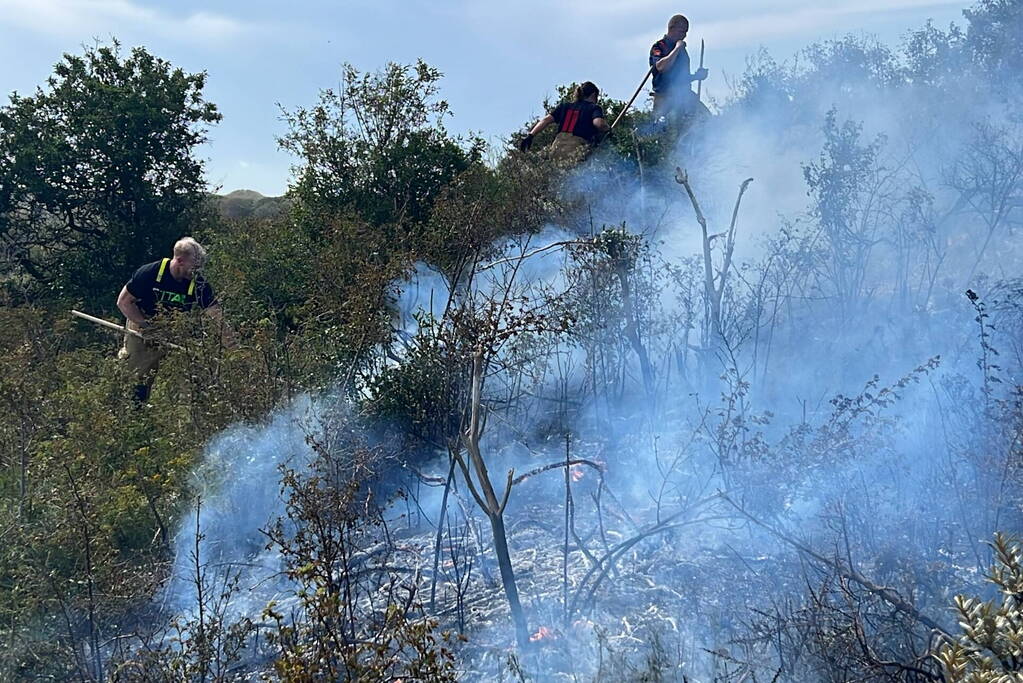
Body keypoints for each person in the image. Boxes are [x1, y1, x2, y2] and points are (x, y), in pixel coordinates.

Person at [116, 236, 223, 403]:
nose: (196, 271)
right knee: (137, 378)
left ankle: (187, 416)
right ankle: (134, 414)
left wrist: (233, 346)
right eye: (194, 267)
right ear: (180, 261)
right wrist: (146, 326)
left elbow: (216, 316)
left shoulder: (198, 283)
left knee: (192, 377)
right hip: (143, 327)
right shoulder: (149, 273)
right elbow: (123, 302)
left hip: (176, 329)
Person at [519, 82, 610, 165]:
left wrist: (530, 136)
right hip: (576, 149)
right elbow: (599, 123)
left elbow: (545, 120)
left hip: (556, 148)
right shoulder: (593, 107)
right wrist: (609, 130)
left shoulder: (565, 106)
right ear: (594, 94)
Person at [649, 14, 709, 125]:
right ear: (671, 29)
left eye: (686, 32)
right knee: (670, 131)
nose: (684, 36)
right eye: (681, 32)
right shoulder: (659, 47)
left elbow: (681, 79)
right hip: (665, 99)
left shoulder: (683, 52)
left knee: (706, 119)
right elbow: (661, 67)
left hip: (684, 96)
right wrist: (677, 49)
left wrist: (697, 76)